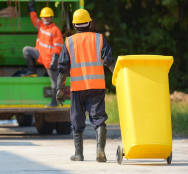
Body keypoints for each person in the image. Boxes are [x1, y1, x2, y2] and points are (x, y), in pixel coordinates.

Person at [56, 9, 116, 162]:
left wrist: (59, 90)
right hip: (96, 86)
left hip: (78, 88)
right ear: (89, 23)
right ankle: (100, 150)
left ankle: (79, 154)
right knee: (98, 118)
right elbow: (109, 61)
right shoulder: (99, 39)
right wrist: (119, 77)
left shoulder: (69, 41)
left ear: (75, 25)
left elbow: (63, 68)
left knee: (77, 119)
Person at [22, 0, 64, 108]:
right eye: (44, 17)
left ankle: (54, 102)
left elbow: (58, 46)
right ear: (42, 18)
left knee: (54, 82)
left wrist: (55, 60)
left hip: (50, 60)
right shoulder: (40, 25)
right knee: (26, 50)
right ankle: (32, 71)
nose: (46, 19)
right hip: (40, 55)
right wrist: (31, 7)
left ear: (52, 17)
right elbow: (34, 18)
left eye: (48, 17)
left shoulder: (55, 30)